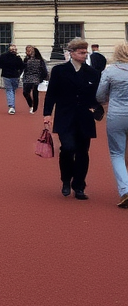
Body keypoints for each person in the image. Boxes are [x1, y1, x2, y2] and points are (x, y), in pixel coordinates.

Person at [42, 37, 102, 200]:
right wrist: (47, 113)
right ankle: (66, 180)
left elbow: (97, 96)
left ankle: (79, 185)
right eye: (81, 52)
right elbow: (51, 93)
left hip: (84, 117)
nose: (84, 55)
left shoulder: (92, 73)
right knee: (67, 148)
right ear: (72, 53)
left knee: (83, 152)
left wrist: (97, 108)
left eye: (85, 52)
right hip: (65, 116)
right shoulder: (59, 71)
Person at [96, 41, 128, 208]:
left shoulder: (110, 71)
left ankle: (125, 189)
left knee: (117, 153)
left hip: (117, 114)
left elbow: (100, 95)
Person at [0, 43, 25, 115]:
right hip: (14, 76)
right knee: (11, 90)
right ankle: (12, 106)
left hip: (7, 75)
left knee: (10, 90)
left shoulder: (3, 57)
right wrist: (19, 74)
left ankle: (12, 106)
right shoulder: (17, 58)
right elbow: (21, 67)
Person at [21, 45, 48, 114]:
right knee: (25, 92)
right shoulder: (26, 59)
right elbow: (23, 68)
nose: (28, 52)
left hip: (36, 77)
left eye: (30, 51)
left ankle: (34, 108)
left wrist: (44, 77)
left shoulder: (40, 60)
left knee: (35, 93)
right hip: (27, 77)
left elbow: (43, 69)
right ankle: (31, 104)